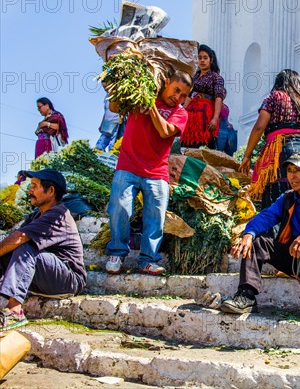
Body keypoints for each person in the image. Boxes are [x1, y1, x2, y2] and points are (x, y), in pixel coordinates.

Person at [220, 149, 300, 324]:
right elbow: (265, 217)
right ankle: (247, 296)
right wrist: (248, 234)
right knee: (258, 242)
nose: (293, 176)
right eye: (290, 171)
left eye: (298, 170)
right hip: (294, 255)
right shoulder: (287, 198)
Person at [105, 70, 192, 275]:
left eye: (183, 95)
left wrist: (150, 104)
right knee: (119, 208)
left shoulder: (180, 113)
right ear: (167, 82)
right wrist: (120, 86)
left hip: (157, 171)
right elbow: (114, 106)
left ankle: (148, 260)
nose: (178, 97)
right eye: (176, 90)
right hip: (128, 165)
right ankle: (117, 253)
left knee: (155, 217)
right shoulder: (139, 97)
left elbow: (164, 131)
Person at [0, 169, 86, 331]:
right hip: (46, 277)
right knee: (8, 251)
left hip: (68, 280)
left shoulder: (58, 214)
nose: (30, 190)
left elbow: (19, 238)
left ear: (51, 191)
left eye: (34, 186)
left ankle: (15, 311)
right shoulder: (36, 216)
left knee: (24, 246)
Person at [240, 69, 300, 208]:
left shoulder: (274, 97)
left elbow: (259, 127)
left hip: (281, 149)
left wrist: (247, 156)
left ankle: (275, 229)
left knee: (276, 196)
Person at [180, 44, 226, 149]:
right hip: (191, 116)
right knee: (187, 146)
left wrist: (215, 118)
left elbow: (219, 98)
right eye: (200, 58)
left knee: (204, 146)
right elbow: (188, 97)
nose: (202, 60)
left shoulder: (216, 78)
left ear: (211, 60)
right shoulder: (193, 77)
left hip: (206, 116)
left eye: (205, 58)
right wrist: (181, 113)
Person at [95, 85, 125, 152]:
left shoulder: (118, 94)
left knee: (113, 144)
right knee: (101, 144)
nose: (105, 88)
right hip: (107, 123)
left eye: (106, 86)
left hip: (117, 121)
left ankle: (111, 158)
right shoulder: (107, 96)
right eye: (104, 87)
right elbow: (105, 111)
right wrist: (101, 124)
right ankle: (98, 155)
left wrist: (122, 118)